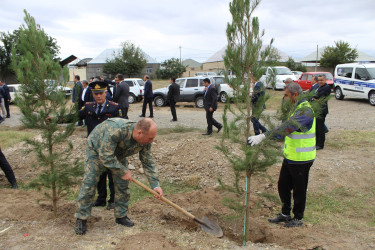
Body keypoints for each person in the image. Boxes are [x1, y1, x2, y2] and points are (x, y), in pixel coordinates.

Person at [74, 118, 163, 235]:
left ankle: (121, 215)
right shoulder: (116, 130)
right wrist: (123, 171)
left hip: (118, 154)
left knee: (122, 185)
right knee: (90, 183)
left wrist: (155, 185)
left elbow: (148, 162)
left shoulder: (145, 141)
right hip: (97, 149)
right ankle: (81, 218)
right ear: (139, 132)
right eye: (150, 138)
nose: (152, 141)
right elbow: (105, 155)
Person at [248, 83, 315, 228]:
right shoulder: (297, 108)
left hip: (302, 159)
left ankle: (298, 218)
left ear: (295, 95)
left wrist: (264, 136)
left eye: (286, 95)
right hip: (291, 157)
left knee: (299, 189)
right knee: (283, 186)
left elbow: (287, 127)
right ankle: (285, 214)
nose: (284, 98)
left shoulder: (305, 111)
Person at [79, 80, 122, 210]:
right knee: (99, 175)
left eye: (101, 93)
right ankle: (101, 199)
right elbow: (74, 116)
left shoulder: (115, 107)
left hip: (110, 148)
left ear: (105, 93)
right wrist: (56, 119)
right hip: (96, 149)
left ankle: (113, 200)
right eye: (95, 93)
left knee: (112, 175)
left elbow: (122, 125)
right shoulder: (88, 107)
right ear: (92, 94)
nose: (98, 96)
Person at [309, 74, 331, 150]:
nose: (320, 82)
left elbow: (318, 97)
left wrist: (313, 98)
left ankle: (320, 144)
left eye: (322, 80)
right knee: (316, 127)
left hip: (321, 110)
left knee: (320, 128)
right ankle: (316, 142)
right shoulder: (318, 87)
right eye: (319, 80)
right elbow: (312, 96)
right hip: (315, 109)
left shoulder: (326, 87)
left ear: (325, 80)